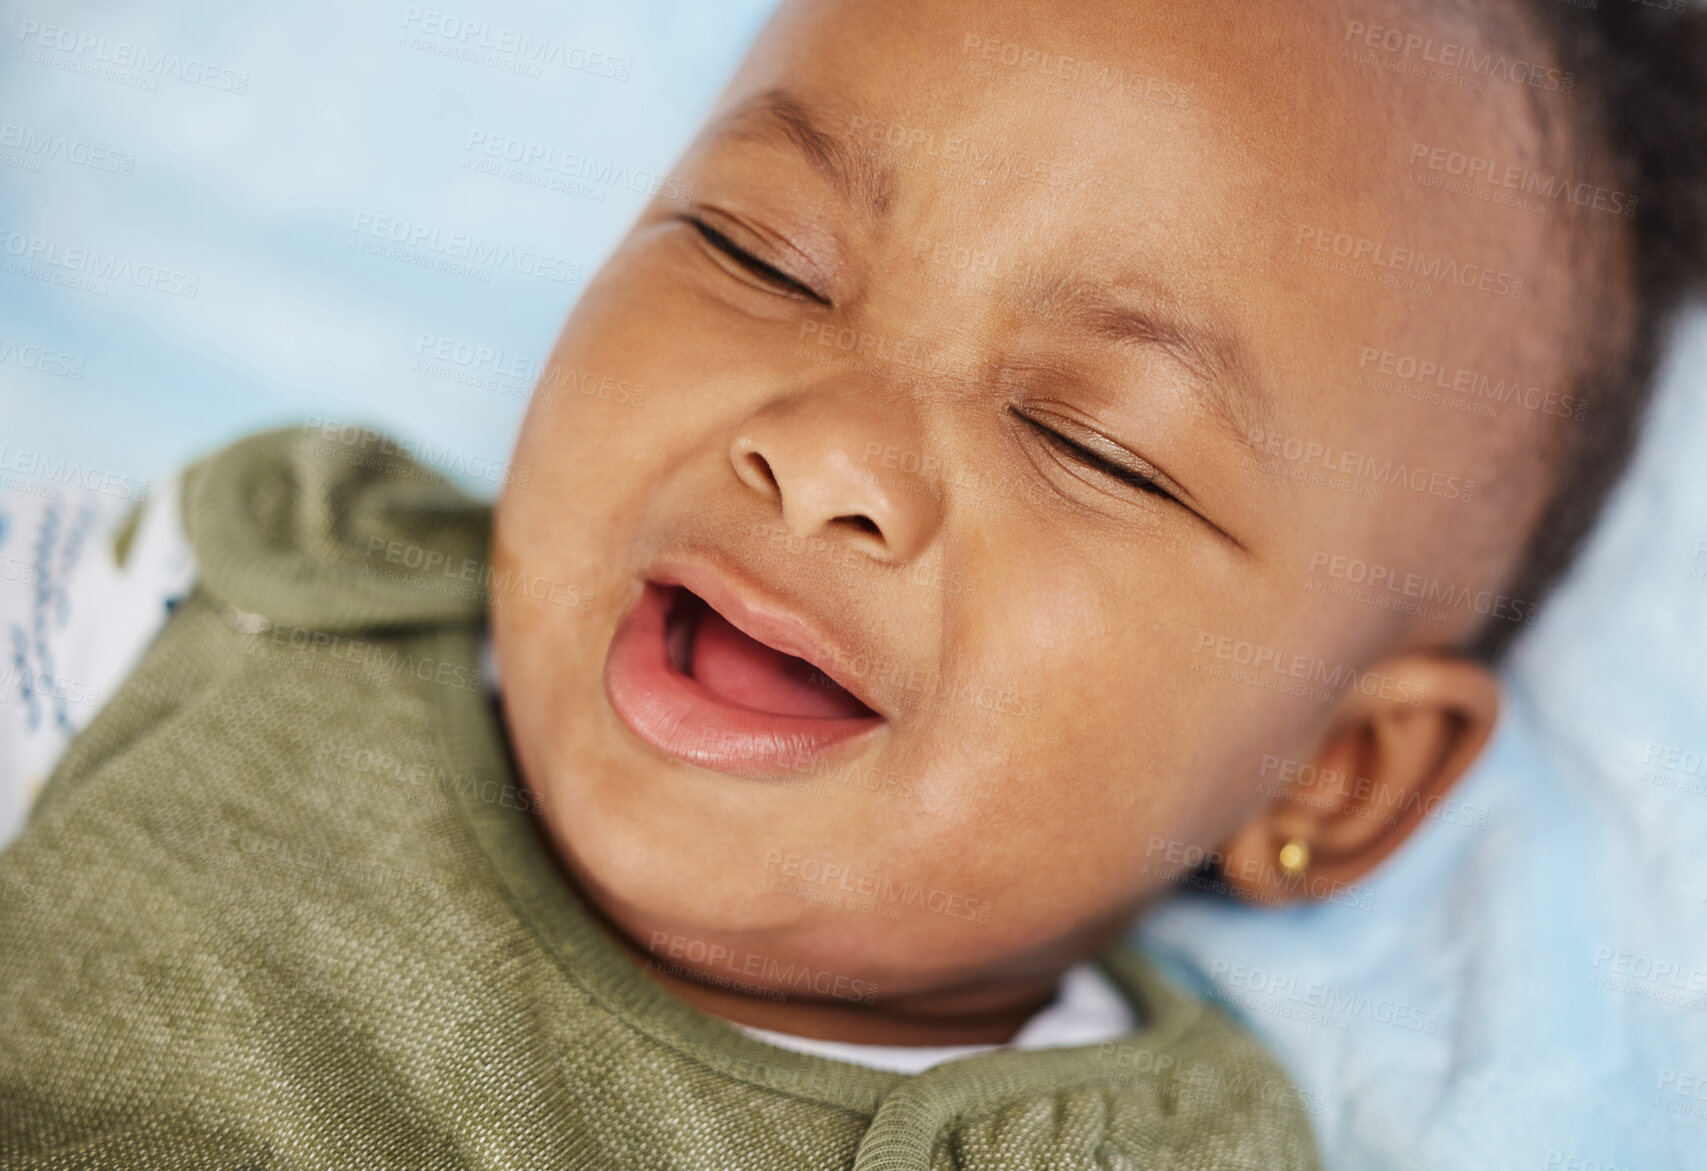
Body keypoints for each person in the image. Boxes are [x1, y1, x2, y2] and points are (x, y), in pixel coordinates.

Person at [3, 0, 1704, 1166]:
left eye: (1089, 440)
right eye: (762, 251)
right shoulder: (232, 600)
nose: (824, 453)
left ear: (1330, 778)